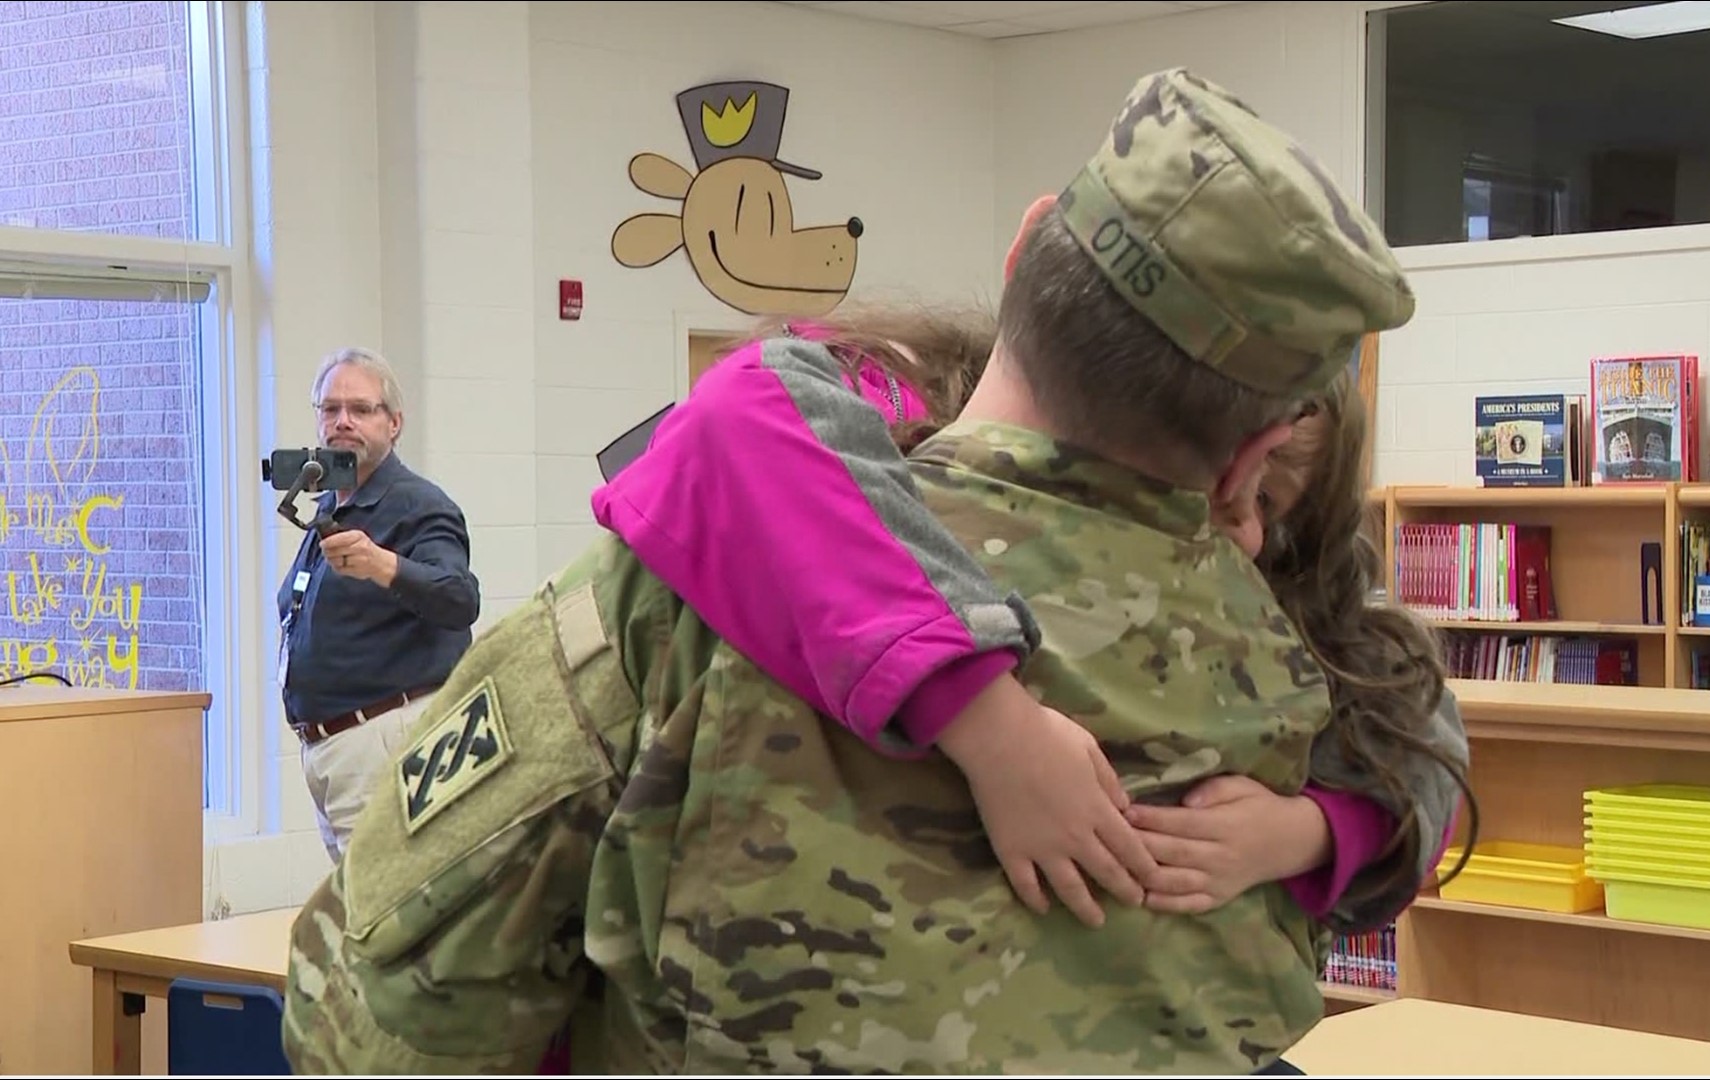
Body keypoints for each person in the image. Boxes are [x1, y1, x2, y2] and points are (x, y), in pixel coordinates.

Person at [284, 68, 1425, 1073]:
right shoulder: (1302, 668)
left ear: (1024, 244)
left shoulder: (704, 581)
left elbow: (387, 1015)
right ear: (1264, 449)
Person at [592, 307, 1469, 935]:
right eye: (1211, 470)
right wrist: (991, 726)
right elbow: (744, 408)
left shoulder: (1292, 590)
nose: (1230, 515)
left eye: (1267, 497)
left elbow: (1415, 732)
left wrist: (1305, 833)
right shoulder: (952, 422)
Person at [275, 347, 482, 863]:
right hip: (330, 749)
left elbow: (459, 598)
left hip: (384, 740)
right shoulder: (331, 501)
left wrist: (382, 566)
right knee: (355, 910)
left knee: (386, 910)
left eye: (361, 409)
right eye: (330, 409)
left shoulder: (418, 505)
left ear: (394, 423)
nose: (343, 421)